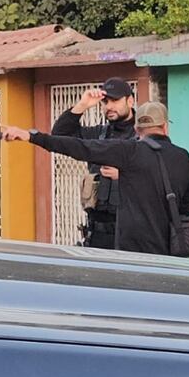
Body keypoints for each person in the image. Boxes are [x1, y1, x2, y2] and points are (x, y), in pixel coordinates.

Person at [1, 101, 189, 256]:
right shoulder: (184, 157)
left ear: (137, 130)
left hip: (134, 255)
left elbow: (80, 147)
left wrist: (31, 136)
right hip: (172, 253)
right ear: (165, 127)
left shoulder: (129, 151)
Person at [51, 77, 136, 249]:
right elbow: (59, 136)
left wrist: (124, 176)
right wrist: (82, 105)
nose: (109, 106)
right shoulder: (98, 134)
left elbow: (157, 177)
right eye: (105, 101)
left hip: (131, 235)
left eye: (115, 100)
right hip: (97, 236)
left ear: (130, 100)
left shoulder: (143, 136)